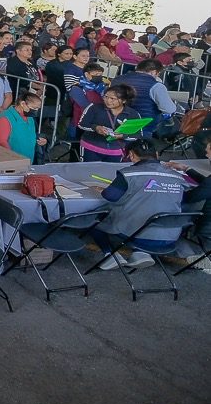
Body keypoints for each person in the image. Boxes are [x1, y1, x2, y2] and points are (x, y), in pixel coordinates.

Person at [94, 140, 193, 270]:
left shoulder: (129, 173)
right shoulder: (178, 177)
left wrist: (103, 190)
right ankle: (140, 253)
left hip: (138, 234)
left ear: (131, 155)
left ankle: (110, 255)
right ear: (157, 154)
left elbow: (110, 196)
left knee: (94, 219)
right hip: (171, 236)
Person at [78, 85, 142, 162]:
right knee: (88, 171)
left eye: (112, 98)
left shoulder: (132, 114)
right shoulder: (94, 108)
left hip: (116, 151)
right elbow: (81, 124)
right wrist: (96, 128)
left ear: (124, 100)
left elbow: (137, 135)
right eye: (106, 97)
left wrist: (123, 135)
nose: (108, 101)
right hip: (90, 147)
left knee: (111, 173)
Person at [0, 90, 47, 161]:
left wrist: (40, 140)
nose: (36, 111)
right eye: (34, 108)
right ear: (23, 104)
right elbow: (1, 141)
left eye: (38, 108)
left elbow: (30, 134)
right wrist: (12, 158)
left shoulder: (30, 118)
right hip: (11, 161)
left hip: (28, 160)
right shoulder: (5, 118)